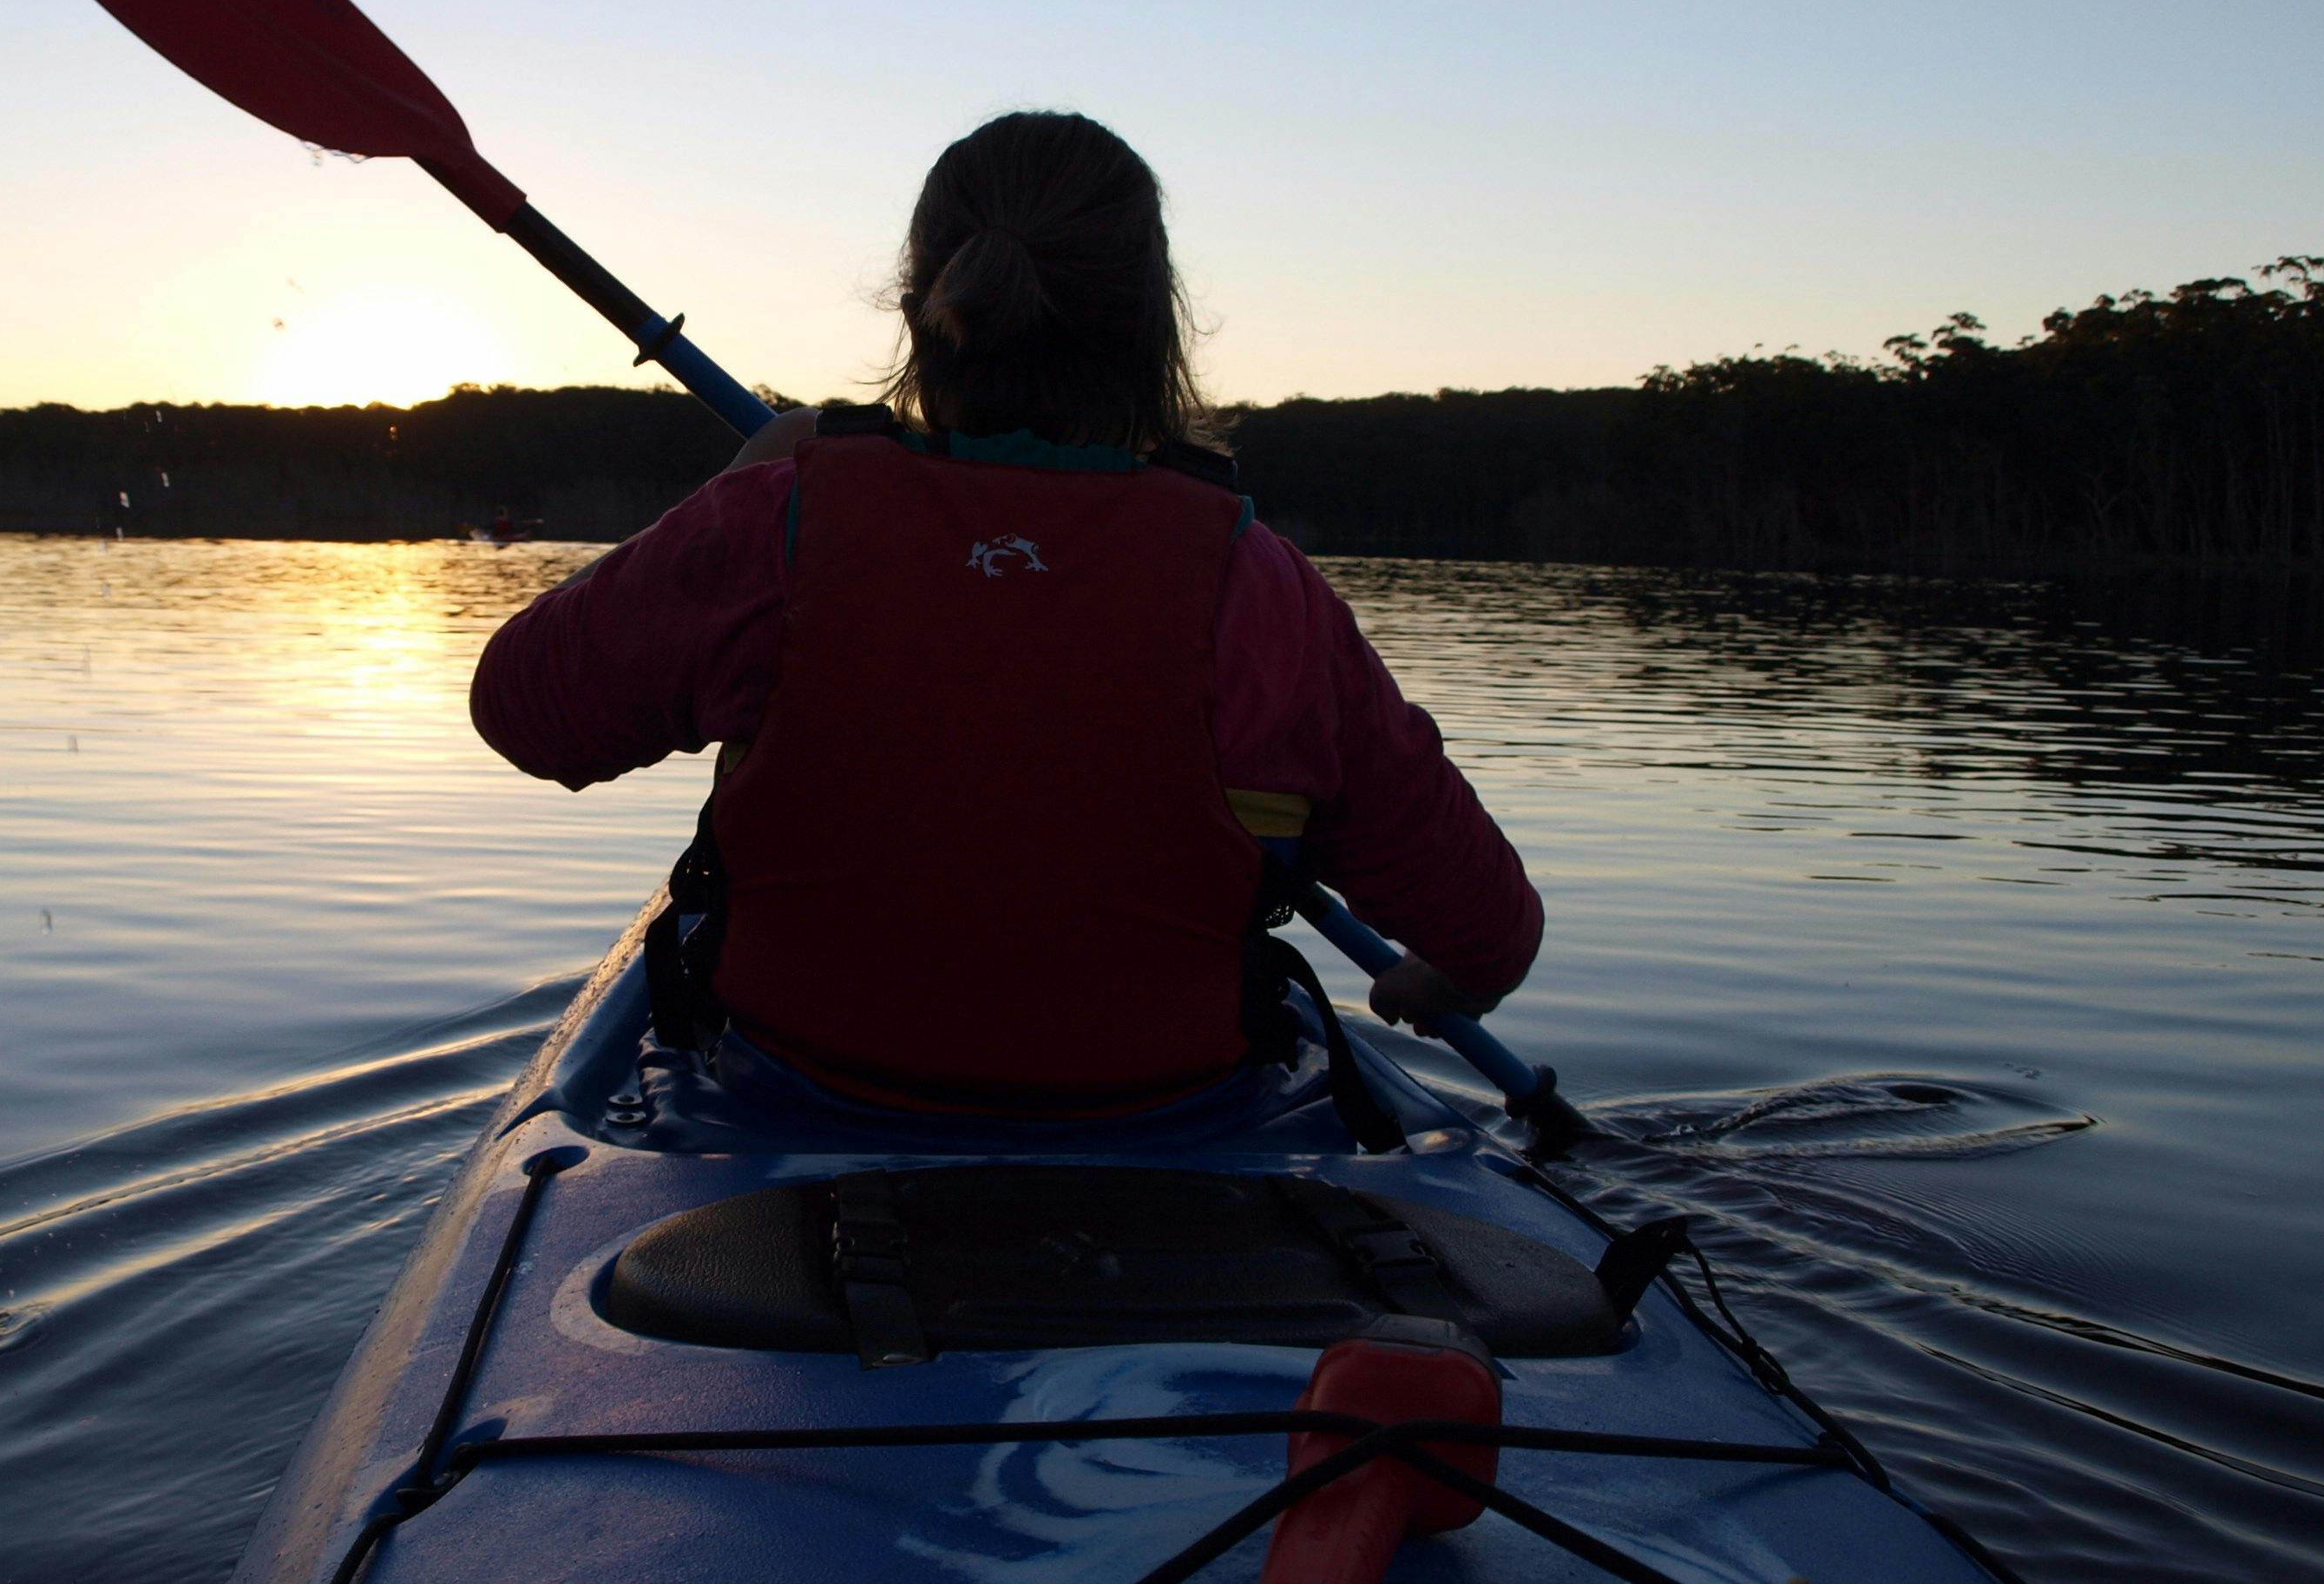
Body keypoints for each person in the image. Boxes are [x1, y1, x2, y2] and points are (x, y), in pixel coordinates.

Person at [470, 110, 1539, 1121]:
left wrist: (734, 490)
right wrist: (1438, 978)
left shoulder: (777, 522)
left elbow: (525, 711)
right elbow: (1489, 933)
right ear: (1155, 328)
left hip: (796, 1092)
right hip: (1163, 1124)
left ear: (917, 308)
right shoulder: (1257, 584)